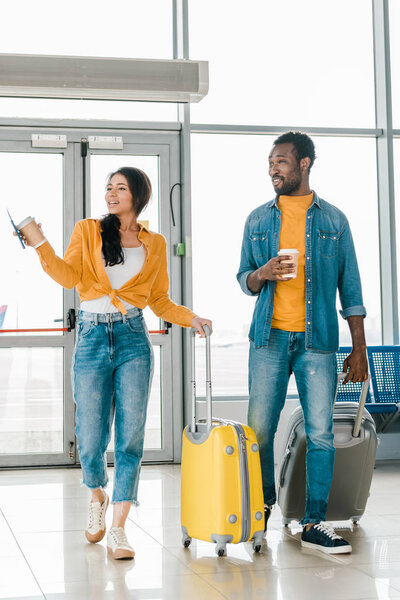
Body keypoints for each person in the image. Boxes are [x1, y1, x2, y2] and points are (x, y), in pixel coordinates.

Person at [18, 166, 212, 560]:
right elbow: (69, 276)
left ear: (138, 196)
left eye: (120, 188)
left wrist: (191, 317)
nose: (111, 193)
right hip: (91, 337)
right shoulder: (88, 230)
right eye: (108, 188)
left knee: (130, 437)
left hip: (133, 339)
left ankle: (120, 528)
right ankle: (97, 494)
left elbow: (158, 300)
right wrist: (40, 244)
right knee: (89, 438)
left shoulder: (154, 244)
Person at [237, 132, 368, 554]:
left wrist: (360, 348)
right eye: (270, 162)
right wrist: (264, 273)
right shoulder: (258, 220)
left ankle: (313, 523)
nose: (273, 169)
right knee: (258, 430)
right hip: (268, 340)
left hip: (318, 343)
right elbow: (244, 279)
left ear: (305, 164)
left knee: (321, 433)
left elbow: (352, 291)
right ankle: (262, 512)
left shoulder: (334, 221)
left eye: (281, 162)